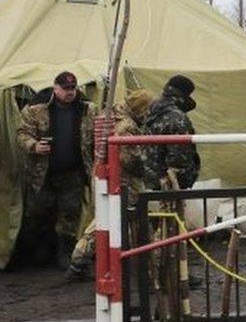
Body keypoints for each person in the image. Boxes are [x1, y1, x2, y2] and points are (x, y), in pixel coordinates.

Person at [65, 89, 155, 281]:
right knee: (129, 220)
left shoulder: (113, 114)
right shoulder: (127, 126)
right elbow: (131, 159)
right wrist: (147, 167)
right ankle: (149, 267)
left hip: (106, 174)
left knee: (105, 218)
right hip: (123, 180)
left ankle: (78, 260)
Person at [16, 71, 96, 269]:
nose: (70, 92)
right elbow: (22, 134)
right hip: (42, 172)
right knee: (38, 213)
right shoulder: (36, 109)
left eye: (73, 88)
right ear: (55, 88)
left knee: (69, 215)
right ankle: (40, 253)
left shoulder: (87, 110)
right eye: (66, 88)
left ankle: (64, 254)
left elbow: (97, 134)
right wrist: (34, 146)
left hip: (73, 170)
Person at [144, 75, 201, 191]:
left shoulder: (151, 110)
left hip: (150, 179)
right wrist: (182, 177)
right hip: (170, 183)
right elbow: (179, 155)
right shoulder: (177, 118)